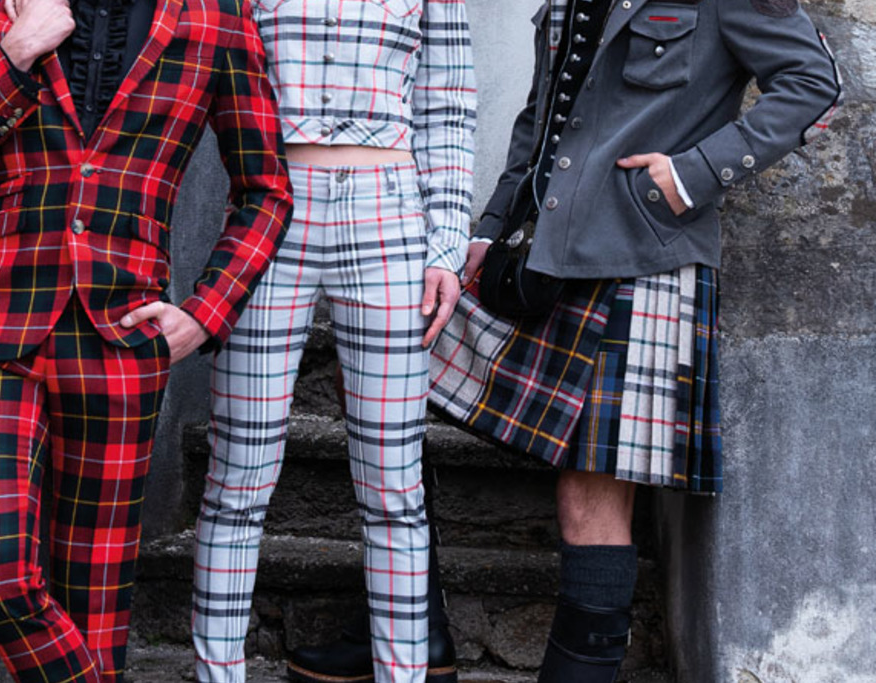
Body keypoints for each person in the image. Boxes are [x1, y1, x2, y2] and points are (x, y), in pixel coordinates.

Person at [427, 0, 841, 680]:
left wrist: (694, 174)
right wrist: (492, 225)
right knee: (385, 371)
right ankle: (413, 625)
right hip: (542, 250)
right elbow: (541, 116)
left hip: (643, 258)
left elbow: (814, 82)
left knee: (587, 499)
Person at [0, 0, 292, 680]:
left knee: (95, 620)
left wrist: (205, 313)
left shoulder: (217, 17)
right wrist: (17, 53)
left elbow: (266, 189)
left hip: (119, 341)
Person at [188, 0, 477, 681]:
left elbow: (448, 104)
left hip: (388, 210)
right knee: (237, 473)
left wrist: (446, 245)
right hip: (270, 205)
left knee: (394, 487)